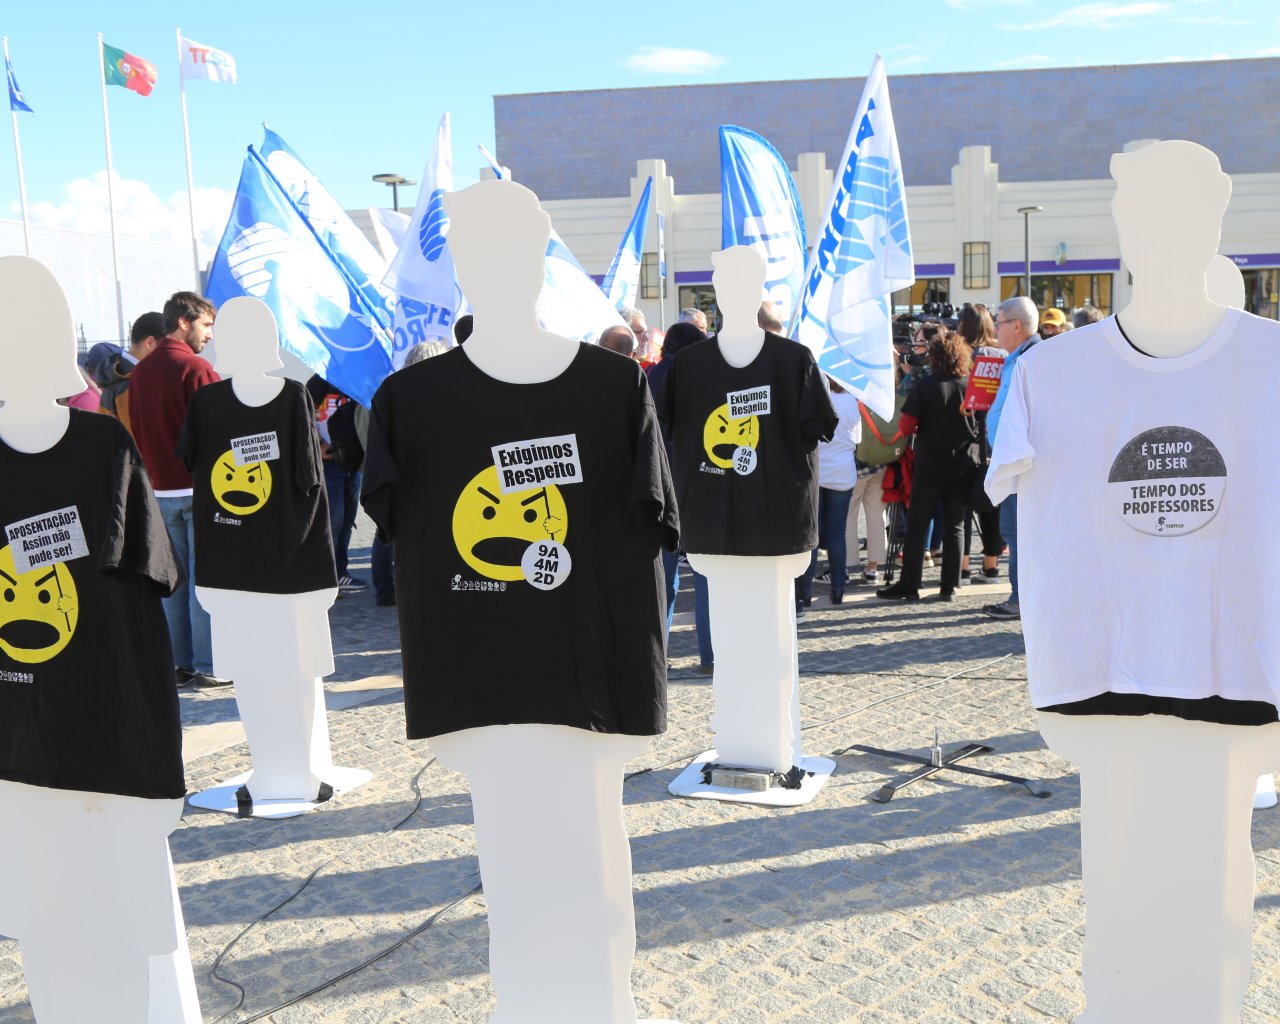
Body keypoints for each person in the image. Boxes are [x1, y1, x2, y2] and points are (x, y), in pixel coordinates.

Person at [129, 291, 229, 687]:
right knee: (204, 582)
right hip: (199, 490)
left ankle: (179, 664)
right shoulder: (197, 369)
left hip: (161, 490)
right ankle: (207, 664)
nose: (210, 334)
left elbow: (138, 432)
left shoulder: (140, 373)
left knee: (174, 583)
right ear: (183, 322)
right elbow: (218, 436)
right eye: (206, 325)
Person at [877, 330, 978, 602]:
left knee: (918, 526)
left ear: (934, 357)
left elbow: (906, 425)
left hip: (930, 464)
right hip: (963, 464)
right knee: (955, 526)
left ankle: (910, 584)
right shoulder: (970, 386)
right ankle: (949, 587)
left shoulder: (925, 386)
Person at [645, 321, 713, 672]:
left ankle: (658, 656)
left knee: (664, 578)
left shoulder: (651, 376)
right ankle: (711, 656)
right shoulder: (707, 376)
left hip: (662, 484)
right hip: (701, 483)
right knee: (705, 576)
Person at [370, 341, 450, 607]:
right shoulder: (442, 396)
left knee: (390, 534)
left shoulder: (394, 393)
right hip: (422, 481)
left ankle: (387, 589)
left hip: (398, 479)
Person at [981, 295, 1040, 620]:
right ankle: (1021, 598)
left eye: (999, 323)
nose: (995, 329)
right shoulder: (1019, 357)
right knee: (1013, 532)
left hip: (1024, 464)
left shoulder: (1036, 358)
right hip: (1013, 460)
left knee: (1019, 533)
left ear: (1016, 326)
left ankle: (1022, 600)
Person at [797, 380, 859, 605]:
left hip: (817, 470)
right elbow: (857, 438)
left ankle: (804, 593)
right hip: (843, 471)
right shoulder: (851, 400)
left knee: (812, 534)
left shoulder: (815, 399)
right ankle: (838, 588)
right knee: (837, 534)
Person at [306, 376, 368, 594]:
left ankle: (340, 573)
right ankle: (325, 577)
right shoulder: (321, 379)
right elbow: (302, 415)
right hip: (329, 463)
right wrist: (318, 443)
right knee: (333, 520)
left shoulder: (358, 377)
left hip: (354, 462)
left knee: (348, 520)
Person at [96, 311, 163, 435]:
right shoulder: (135, 384)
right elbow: (140, 440)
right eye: (167, 346)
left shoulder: (117, 374)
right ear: (150, 342)